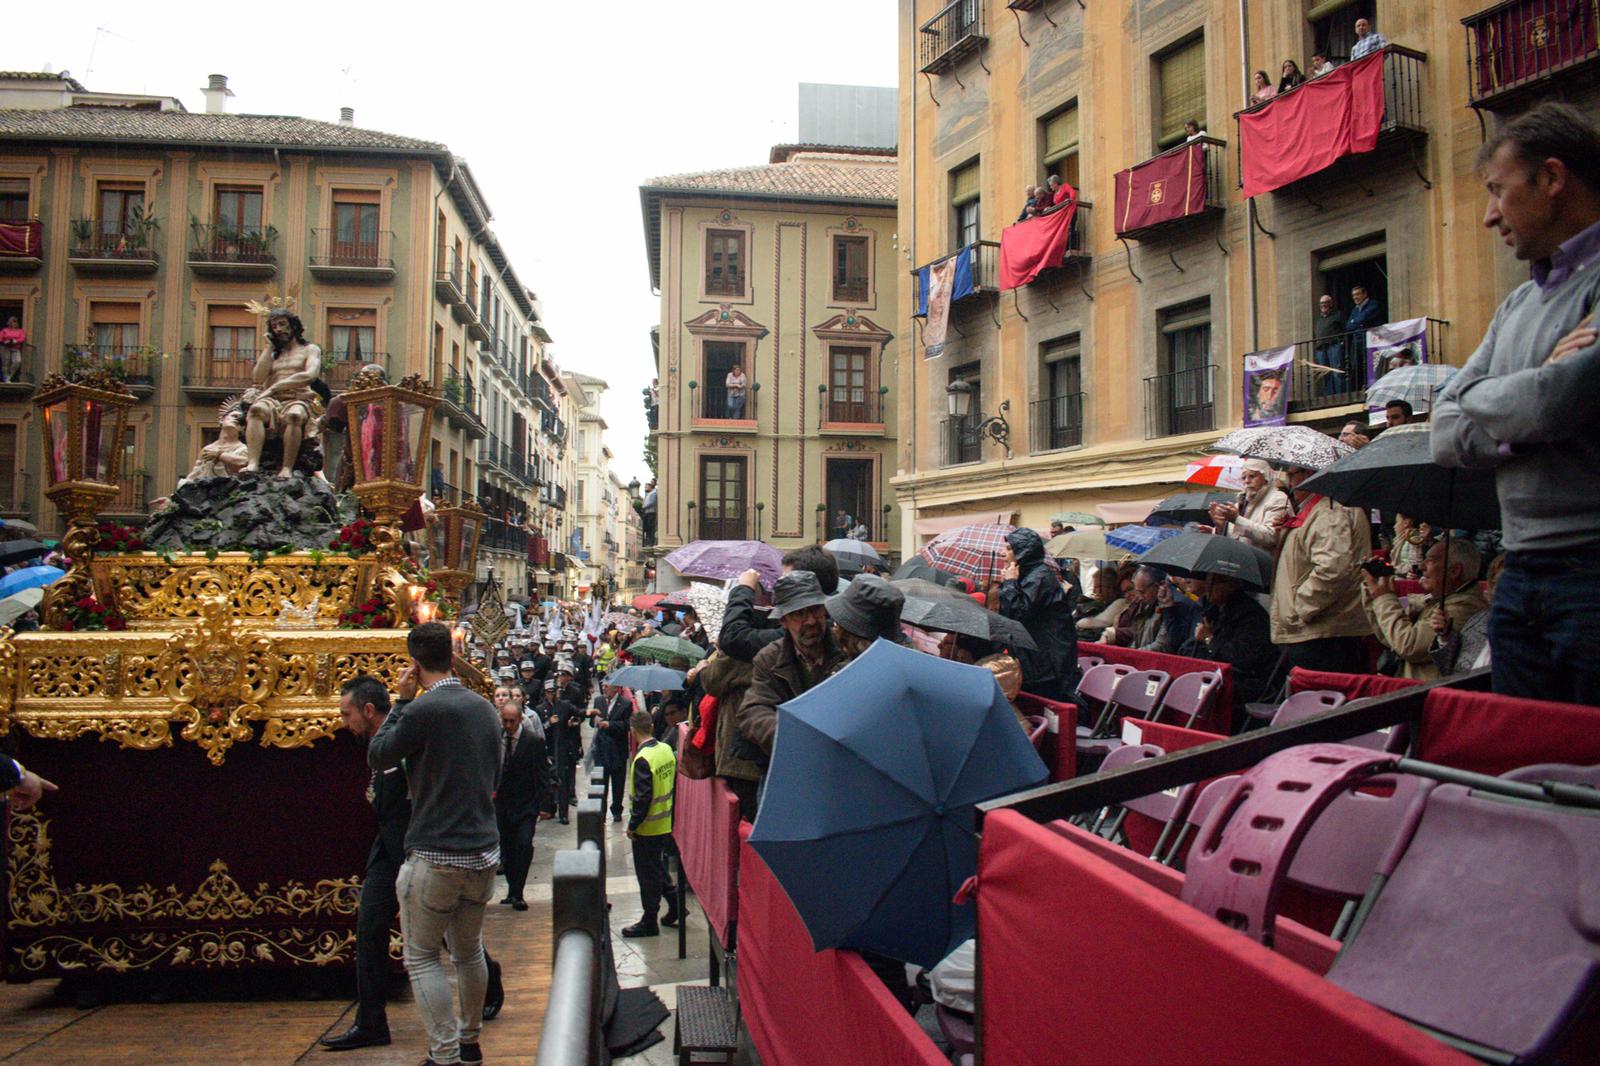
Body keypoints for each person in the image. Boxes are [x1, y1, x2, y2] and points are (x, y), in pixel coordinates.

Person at [1432, 106, 1600, 704]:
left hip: (1591, 570)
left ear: (1552, 180)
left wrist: (1475, 399)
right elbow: (1442, 434)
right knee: (1525, 764)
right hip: (1520, 573)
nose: (1488, 216)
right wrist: (1521, 402)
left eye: (1499, 192)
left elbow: (1560, 398)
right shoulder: (1513, 308)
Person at [324, 676, 503, 1053]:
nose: (345, 722)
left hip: (420, 848)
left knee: (451, 939)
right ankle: (371, 1021)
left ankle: (488, 984)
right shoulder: (381, 736)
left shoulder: (409, 727)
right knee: (370, 928)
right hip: (387, 848)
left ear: (368, 710)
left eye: (347, 714)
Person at [366, 623, 502, 1066]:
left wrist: (402, 701)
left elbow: (380, 754)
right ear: (452, 655)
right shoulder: (484, 707)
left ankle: (444, 1053)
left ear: (415, 664)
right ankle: (470, 1040)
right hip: (482, 849)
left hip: (436, 852)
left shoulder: (423, 710)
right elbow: (495, 773)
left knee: (422, 957)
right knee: (469, 950)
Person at [1269, 464, 1373, 673]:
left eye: (1292, 475)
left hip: (1323, 631)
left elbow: (1333, 568)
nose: (1289, 483)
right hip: (1320, 629)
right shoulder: (1322, 508)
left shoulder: (1330, 510)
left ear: (1309, 474)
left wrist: (1301, 607)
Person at [740, 572, 845, 766]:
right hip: (788, 761)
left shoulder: (846, 650)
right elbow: (753, 712)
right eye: (799, 614)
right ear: (783, 621)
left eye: (815, 610)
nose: (811, 621)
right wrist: (793, 735)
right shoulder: (769, 659)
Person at [1362, 539, 1488, 681]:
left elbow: (1408, 645)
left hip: (1427, 693)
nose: (1421, 566)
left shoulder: (1464, 607)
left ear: (1454, 571)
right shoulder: (1441, 599)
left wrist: (1383, 597)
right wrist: (1373, 591)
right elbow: (1390, 637)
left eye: (1431, 561)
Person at [996, 528, 1082, 701]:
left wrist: (1010, 583)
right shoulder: (1028, 575)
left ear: (1023, 552)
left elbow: (1018, 614)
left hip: (1048, 660)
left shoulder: (1039, 577)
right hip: (1035, 657)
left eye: (1009, 549)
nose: (1003, 553)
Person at [620, 709, 679, 938]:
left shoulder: (643, 759)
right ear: (652, 727)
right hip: (665, 821)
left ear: (632, 731)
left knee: (647, 875)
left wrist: (633, 825)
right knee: (656, 867)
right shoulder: (665, 750)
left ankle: (649, 920)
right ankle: (675, 906)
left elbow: (643, 797)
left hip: (647, 827)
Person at [1191, 575, 1280, 725]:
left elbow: (1241, 658)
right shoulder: (1214, 610)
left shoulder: (1250, 615)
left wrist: (1210, 639)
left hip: (1248, 680)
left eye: (1214, 583)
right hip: (1219, 671)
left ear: (1231, 585)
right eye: (1207, 581)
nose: (1208, 587)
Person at [244, 308, 322, 478]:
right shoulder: (273, 354)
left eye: (282, 324)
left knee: (295, 415)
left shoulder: (310, 349)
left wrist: (274, 387)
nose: (278, 329)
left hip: (297, 398)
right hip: (272, 400)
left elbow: (310, 375)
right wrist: (269, 347)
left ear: (293, 326)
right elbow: (258, 377)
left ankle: (287, 468)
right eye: (274, 326)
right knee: (256, 410)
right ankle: (253, 463)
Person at [493, 684, 548, 911]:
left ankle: (519, 891)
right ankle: (511, 889)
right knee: (506, 847)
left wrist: (545, 805)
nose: (507, 726)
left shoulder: (533, 741)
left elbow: (542, 774)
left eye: (511, 722)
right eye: (504, 721)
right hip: (502, 805)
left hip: (526, 805)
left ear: (519, 720)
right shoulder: (497, 739)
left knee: (523, 845)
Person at [1431, 554, 1503, 677]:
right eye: (1499, 585)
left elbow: (1409, 647)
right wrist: (1445, 637)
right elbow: (1451, 670)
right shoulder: (1478, 621)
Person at [1209, 458, 1292, 552]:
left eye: (1252, 476)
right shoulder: (1242, 501)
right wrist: (1221, 527)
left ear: (1265, 478)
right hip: (1244, 560)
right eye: (1244, 478)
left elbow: (1272, 537)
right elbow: (1237, 536)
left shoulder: (1278, 499)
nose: (1247, 481)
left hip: (1267, 563)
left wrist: (1237, 519)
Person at [825, 573, 905, 659]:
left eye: (837, 623)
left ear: (847, 634)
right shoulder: (906, 660)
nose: (835, 628)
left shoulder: (847, 667)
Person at [540, 676, 583, 824]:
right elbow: (539, 729)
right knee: (549, 782)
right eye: (549, 692)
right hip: (548, 750)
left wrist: (574, 722)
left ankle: (564, 813)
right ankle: (551, 809)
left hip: (562, 748)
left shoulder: (564, 705)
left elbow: (578, 713)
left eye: (554, 691)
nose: (551, 694)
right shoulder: (541, 709)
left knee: (563, 782)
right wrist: (548, 723)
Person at [591, 680, 634, 822]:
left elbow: (627, 725)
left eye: (607, 686)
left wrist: (610, 725)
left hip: (617, 749)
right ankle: (600, 811)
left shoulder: (626, 704)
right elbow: (592, 721)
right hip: (602, 749)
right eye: (602, 685)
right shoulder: (598, 701)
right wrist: (595, 720)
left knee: (618, 782)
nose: (604, 688)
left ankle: (616, 810)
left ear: (616, 688)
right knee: (600, 783)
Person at [1103, 567, 1160, 649]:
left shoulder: (1152, 606)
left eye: (1129, 589)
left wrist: (1113, 633)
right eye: (1124, 592)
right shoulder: (1135, 606)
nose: (1127, 595)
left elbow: (1160, 644)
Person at [1313, 294, 1346, 396]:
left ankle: (1340, 395)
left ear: (1331, 304)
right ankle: (1329, 396)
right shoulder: (1319, 320)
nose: (1323, 305)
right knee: (1325, 374)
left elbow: (1345, 329)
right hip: (1321, 350)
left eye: (1325, 303)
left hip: (1334, 346)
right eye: (1321, 303)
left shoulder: (1338, 315)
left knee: (1337, 372)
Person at [0, 315, 26, 383]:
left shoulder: (20, 331)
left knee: (17, 362)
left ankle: (9, 376)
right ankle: (6, 378)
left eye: (14, 321)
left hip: (15, 348)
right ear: (8, 322)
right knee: (6, 363)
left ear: (17, 323)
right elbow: (0, 337)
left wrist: (15, 341)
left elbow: (22, 338)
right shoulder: (4, 330)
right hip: (5, 348)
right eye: (11, 321)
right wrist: (4, 341)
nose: (13, 323)